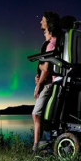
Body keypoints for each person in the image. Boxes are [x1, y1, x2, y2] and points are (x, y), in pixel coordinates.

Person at [32, 11, 61, 152]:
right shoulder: (50, 42)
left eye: (42, 20)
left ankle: (35, 147)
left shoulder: (51, 44)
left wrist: (38, 84)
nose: (40, 22)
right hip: (47, 81)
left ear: (49, 23)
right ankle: (48, 145)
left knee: (36, 114)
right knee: (46, 115)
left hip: (48, 83)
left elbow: (47, 68)